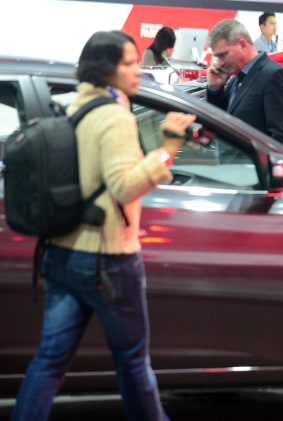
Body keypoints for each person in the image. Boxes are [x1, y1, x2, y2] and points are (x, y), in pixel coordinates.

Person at [11, 30, 195, 421]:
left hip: (62, 253)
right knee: (132, 361)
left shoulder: (77, 107)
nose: (137, 69)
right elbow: (123, 186)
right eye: (128, 63)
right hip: (108, 259)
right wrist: (168, 149)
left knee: (49, 361)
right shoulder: (115, 116)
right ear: (106, 69)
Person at [206, 19, 283, 150]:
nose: (220, 63)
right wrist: (215, 89)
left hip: (254, 169)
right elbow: (219, 128)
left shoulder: (274, 76)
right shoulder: (234, 81)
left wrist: (258, 168)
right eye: (217, 57)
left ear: (242, 45)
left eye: (223, 55)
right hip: (231, 168)